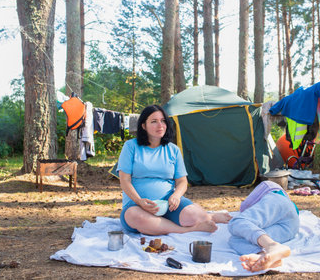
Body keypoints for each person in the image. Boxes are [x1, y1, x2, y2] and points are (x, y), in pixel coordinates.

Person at [117, 105, 231, 235]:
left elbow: (182, 181)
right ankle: (188, 229)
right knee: (135, 217)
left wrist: (176, 196)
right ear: (144, 126)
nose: (160, 125)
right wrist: (139, 201)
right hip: (137, 206)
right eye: (154, 121)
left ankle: (210, 217)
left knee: (196, 216)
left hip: (168, 204)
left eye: (163, 121)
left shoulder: (173, 149)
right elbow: (125, 180)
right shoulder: (131, 146)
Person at [228, 181, 299, 272]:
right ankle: (262, 255)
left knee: (236, 222)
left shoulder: (267, 189)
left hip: (277, 199)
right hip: (291, 226)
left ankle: (272, 245)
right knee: (236, 239)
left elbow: (244, 210)